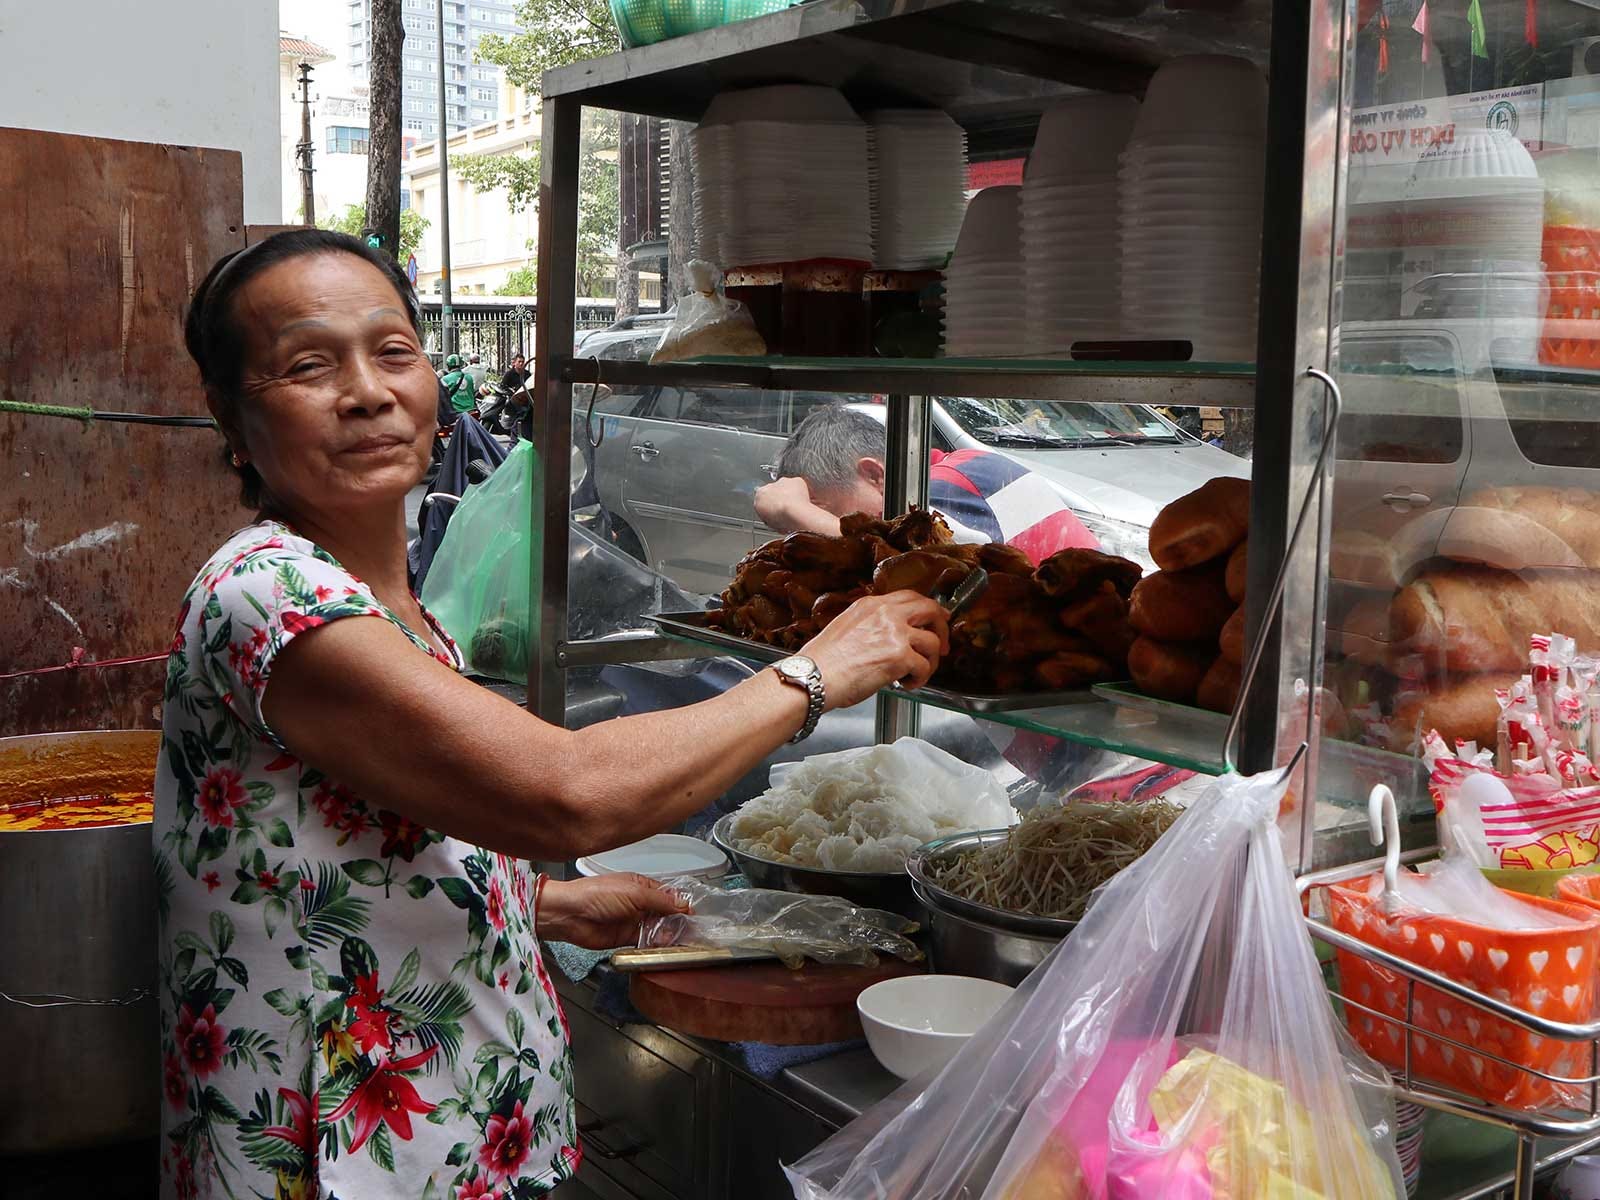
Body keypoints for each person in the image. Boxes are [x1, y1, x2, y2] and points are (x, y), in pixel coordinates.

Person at [158, 229, 946, 1200]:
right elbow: (566, 797)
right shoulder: (273, 597)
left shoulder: (374, 597)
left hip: (456, 1128)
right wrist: (813, 671)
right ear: (232, 421)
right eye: (308, 365)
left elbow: (343, 855)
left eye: (393, 351)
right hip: (345, 1157)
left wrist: (538, 904)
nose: (366, 391)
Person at [754, 404, 1100, 565]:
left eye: (831, 512)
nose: (832, 530)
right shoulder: (961, 466)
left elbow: (931, 562)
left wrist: (793, 510)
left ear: (876, 476)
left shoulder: (950, 484)